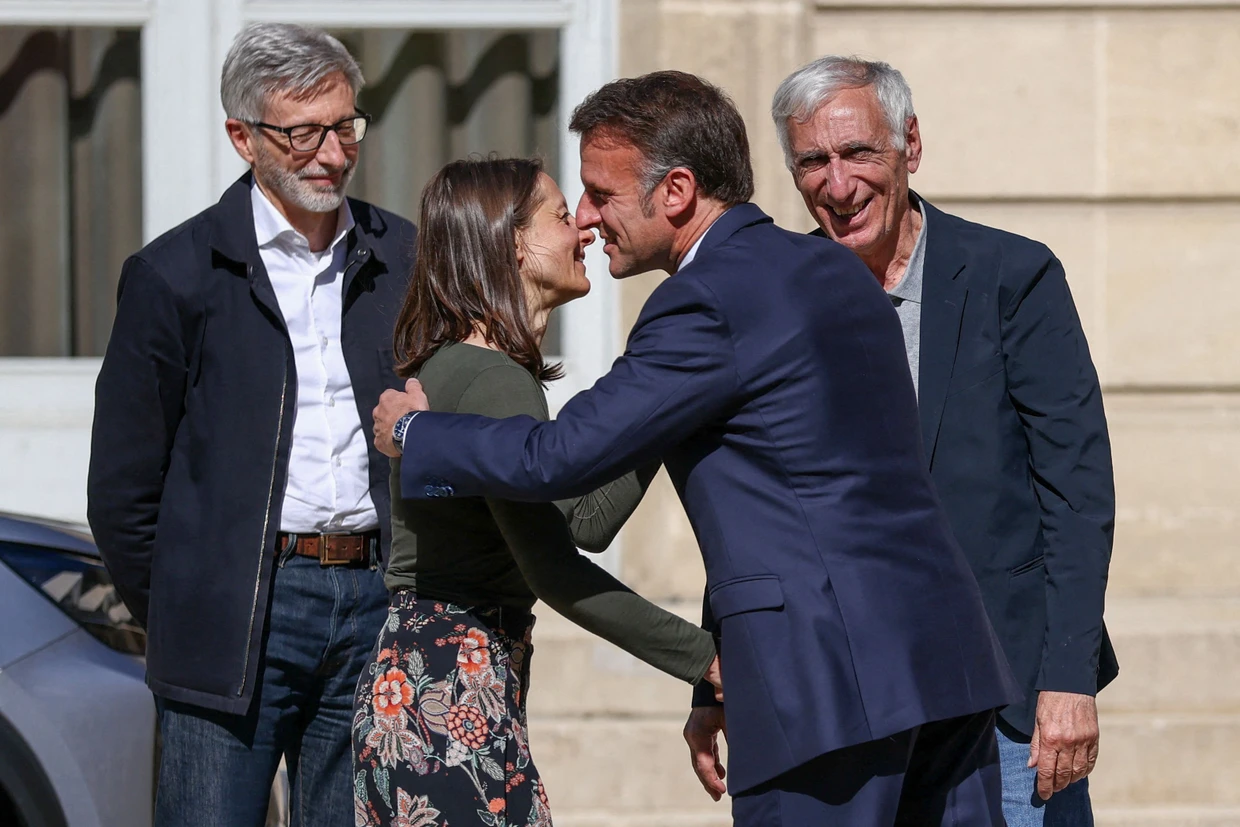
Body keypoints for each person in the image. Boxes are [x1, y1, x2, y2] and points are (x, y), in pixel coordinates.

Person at [373, 70, 1022, 826]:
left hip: (823, 683)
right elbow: (779, 495)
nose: (587, 217)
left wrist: (418, 432)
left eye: (601, 193)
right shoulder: (836, 271)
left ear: (675, 191)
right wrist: (706, 679)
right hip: (945, 661)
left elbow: (558, 458)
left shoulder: (702, 301)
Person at [770, 56, 1118, 827]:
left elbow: (1077, 488)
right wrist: (714, 679)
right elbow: (751, 500)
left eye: (858, 152)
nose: (837, 183)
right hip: (848, 707)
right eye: (813, 161)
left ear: (910, 146)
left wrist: (1069, 677)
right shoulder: (781, 296)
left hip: (1004, 702)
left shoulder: (1010, 277)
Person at [87, 23, 415, 827]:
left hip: (374, 599)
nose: (333, 154)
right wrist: (190, 606)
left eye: (346, 127)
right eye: (304, 132)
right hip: (234, 615)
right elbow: (123, 491)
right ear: (243, 137)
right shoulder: (174, 275)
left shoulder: (402, 256)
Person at [353, 156, 720, 827]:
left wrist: (667, 404)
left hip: (425, 688)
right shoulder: (494, 378)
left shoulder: (465, 367)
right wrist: (708, 659)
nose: (583, 225)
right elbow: (555, 567)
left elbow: (583, 519)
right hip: (449, 692)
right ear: (511, 242)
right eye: (560, 213)